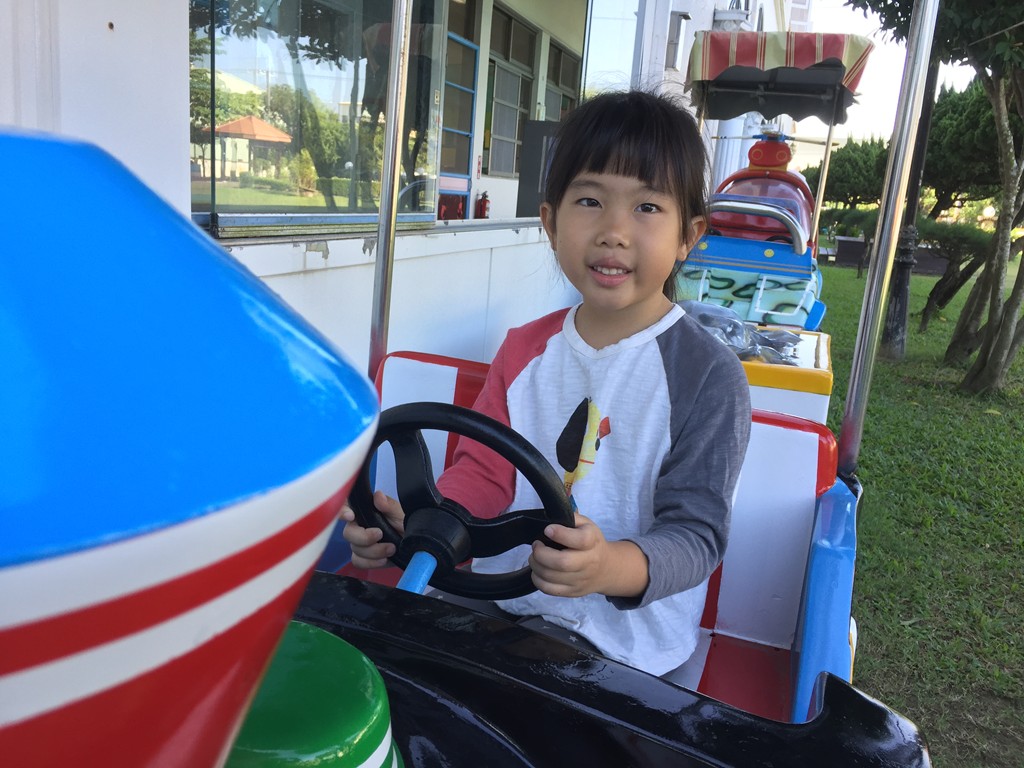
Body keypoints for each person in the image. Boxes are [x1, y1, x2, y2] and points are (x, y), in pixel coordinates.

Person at [341, 90, 752, 678]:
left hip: (629, 652)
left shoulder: (708, 376)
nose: (614, 231)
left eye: (646, 207)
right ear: (551, 222)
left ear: (688, 235)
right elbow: (485, 474)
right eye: (590, 200)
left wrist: (607, 567)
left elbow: (695, 536)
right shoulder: (522, 349)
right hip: (501, 611)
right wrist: (433, 522)